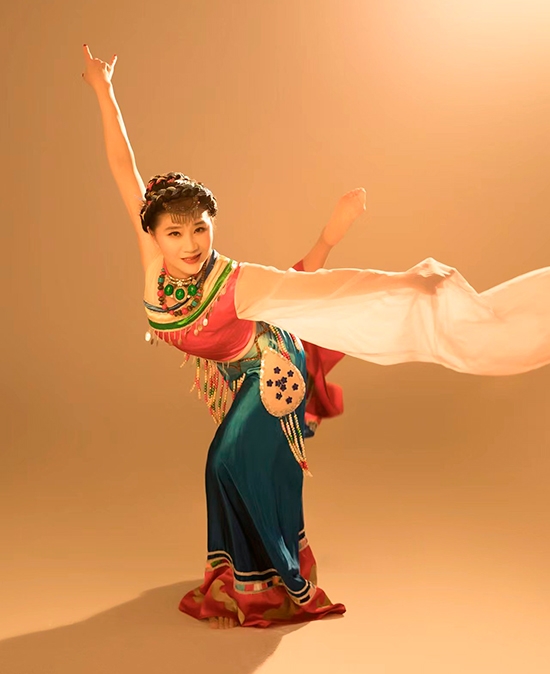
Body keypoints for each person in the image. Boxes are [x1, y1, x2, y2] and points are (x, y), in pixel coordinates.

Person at [82, 45, 550, 629]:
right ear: (153, 234)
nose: (191, 244)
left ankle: (270, 590)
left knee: (227, 459)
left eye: (200, 229)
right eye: (175, 233)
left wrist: (398, 273)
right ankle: (248, 580)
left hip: (275, 367)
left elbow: (321, 290)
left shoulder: (237, 280)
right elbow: (123, 167)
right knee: (240, 466)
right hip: (239, 375)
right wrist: (103, 89)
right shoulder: (154, 265)